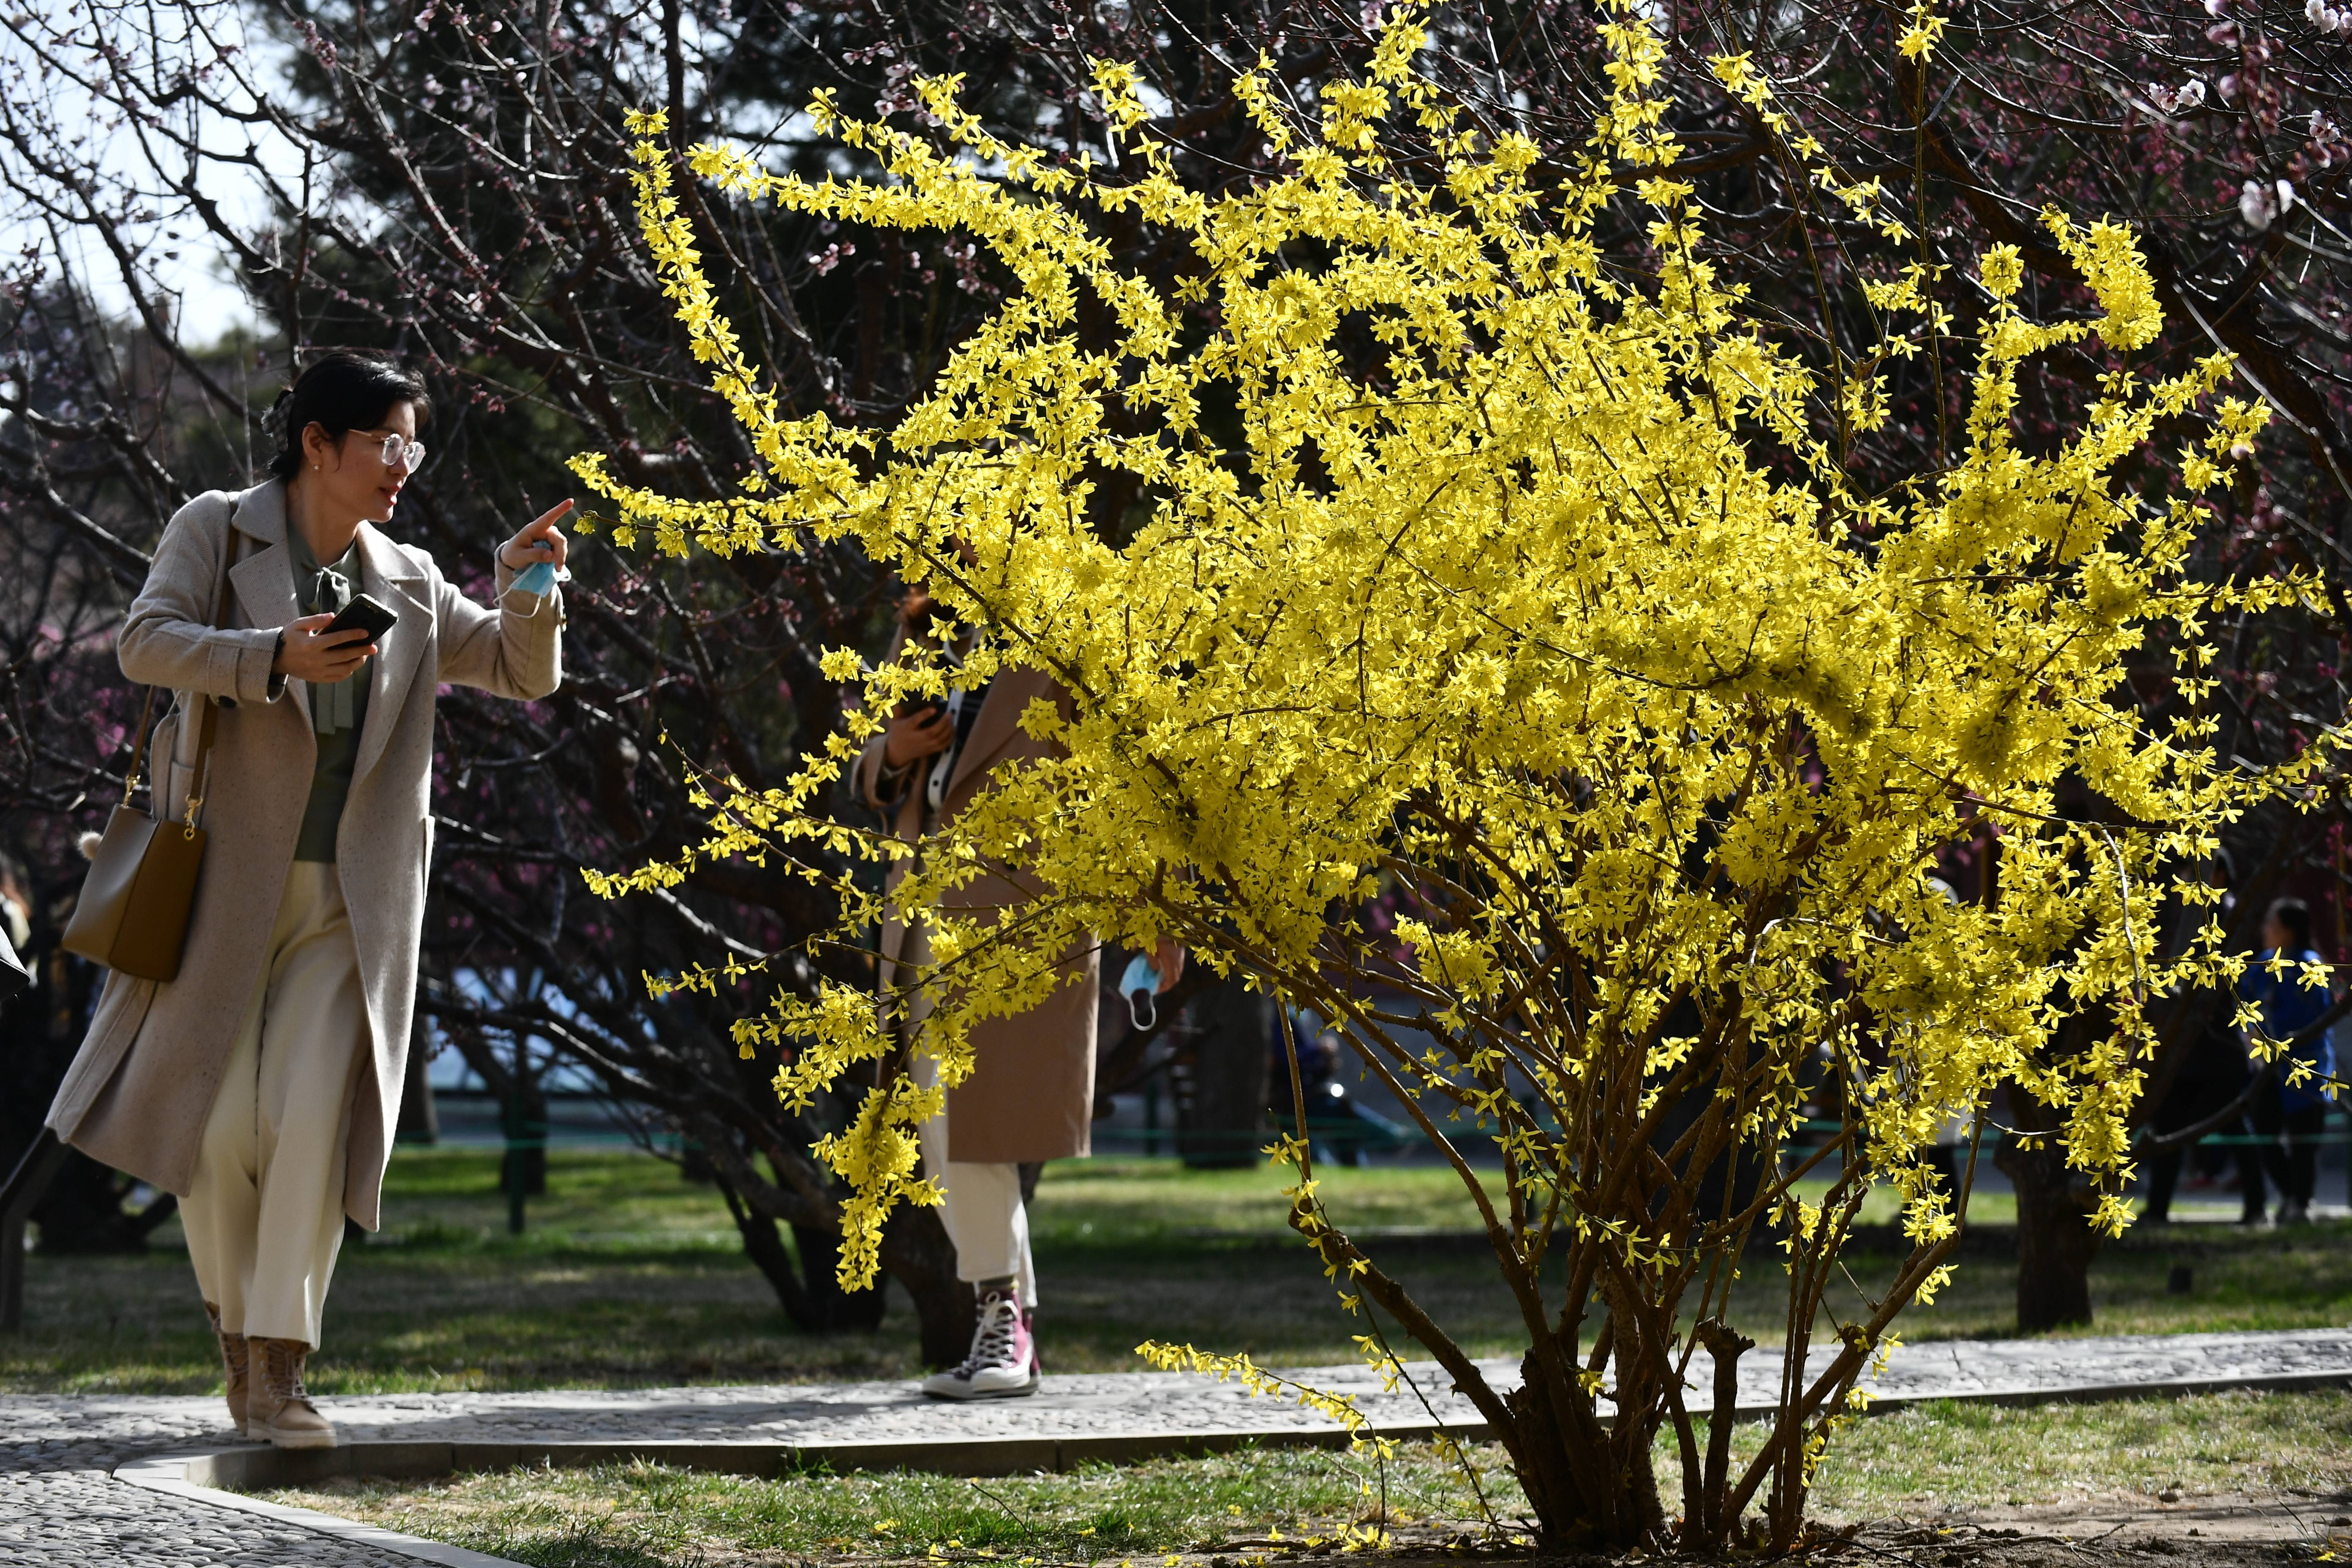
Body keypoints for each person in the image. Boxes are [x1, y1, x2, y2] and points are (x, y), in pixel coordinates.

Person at [44, 350, 568, 1447]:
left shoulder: (411, 579)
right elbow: (146, 643)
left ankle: (279, 1367)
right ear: (319, 443)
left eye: (412, 445)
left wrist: (528, 583)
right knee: (218, 1120)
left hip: (356, 902)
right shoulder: (215, 529)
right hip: (218, 882)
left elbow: (519, 673)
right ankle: (238, 1345)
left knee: (311, 1114)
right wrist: (267, 658)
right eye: (387, 443)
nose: (402, 466)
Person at [852, 587, 1179, 1399]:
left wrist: (1155, 912)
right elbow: (876, 778)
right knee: (944, 1130)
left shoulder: (1065, 629)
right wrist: (891, 753)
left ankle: (1002, 1324)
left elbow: (1124, 778)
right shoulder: (924, 632)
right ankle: (1009, 1330)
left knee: (974, 1127)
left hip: (1024, 919)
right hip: (924, 915)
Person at [2236, 896, 2339, 1225]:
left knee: (2303, 1141)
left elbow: (2311, 1019)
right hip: (2267, 1069)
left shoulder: (2310, 966)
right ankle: (2293, 1195)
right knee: (2266, 1133)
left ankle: (2301, 1202)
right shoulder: (2264, 964)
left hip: (2305, 1069)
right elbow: (2244, 999)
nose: (2265, 930)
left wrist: (2274, 1035)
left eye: (2272, 924)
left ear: (2289, 932)